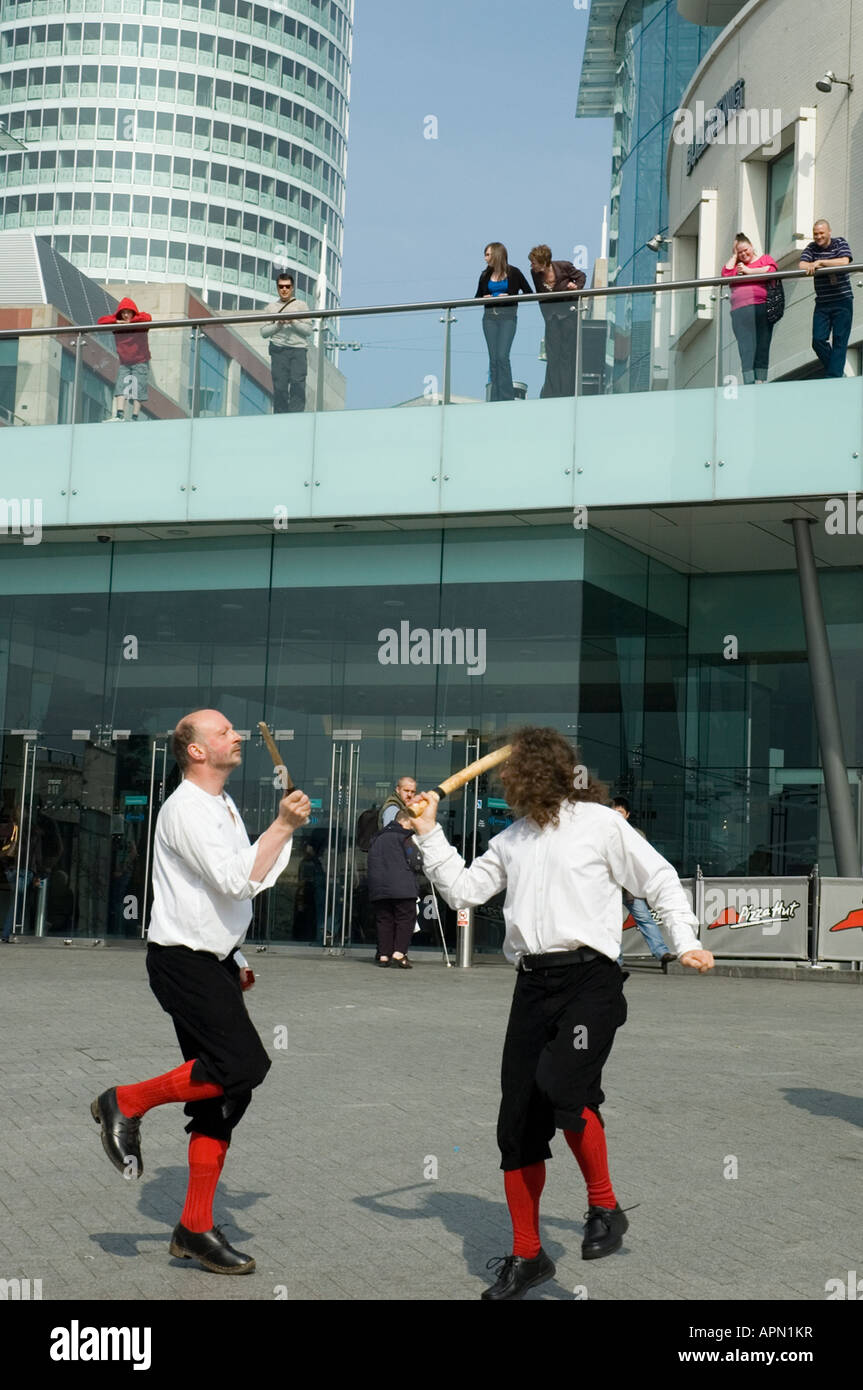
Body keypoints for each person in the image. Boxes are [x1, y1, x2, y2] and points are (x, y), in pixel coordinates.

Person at [411, 726, 714, 1300]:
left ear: (535, 773)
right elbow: (463, 892)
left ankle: (604, 1205)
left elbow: (659, 878)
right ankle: (529, 1257)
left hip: (589, 982)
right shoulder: (512, 839)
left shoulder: (601, 824)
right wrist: (428, 830)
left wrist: (682, 939)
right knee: (516, 1126)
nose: (505, 783)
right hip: (532, 986)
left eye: (510, 775)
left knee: (561, 1086)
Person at [90, 709, 310, 1274]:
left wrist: (234, 956)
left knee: (226, 1094)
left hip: (211, 962)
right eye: (223, 732)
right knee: (243, 1066)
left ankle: (195, 1227)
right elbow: (235, 879)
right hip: (180, 963)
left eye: (234, 730)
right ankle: (126, 1102)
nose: (237, 737)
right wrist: (282, 825)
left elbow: (247, 880)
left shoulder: (222, 805)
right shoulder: (185, 808)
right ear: (194, 750)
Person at [611, 797, 675, 973]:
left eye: (620, 812)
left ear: (627, 814)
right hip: (611, 886)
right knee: (612, 922)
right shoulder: (603, 833)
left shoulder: (637, 834)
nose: (616, 816)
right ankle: (616, 959)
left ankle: (662, 953)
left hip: (630, 887)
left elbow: (645, 860)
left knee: (645, 919)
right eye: (614, 812)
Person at [475, 243, 532, 402]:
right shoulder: (485, 275)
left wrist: (509, 296)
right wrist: (484, 298)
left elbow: (528, 292)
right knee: (493, 358)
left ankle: (506, 397)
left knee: (502, 356)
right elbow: (476, 297)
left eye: (488, 254)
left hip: (508, 317)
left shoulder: (514, 273)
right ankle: (495, 397)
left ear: (497, 255)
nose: (485, 258)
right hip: (489, 318)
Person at [528, 245, 586, 397]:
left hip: (568, 314)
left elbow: (581, 276)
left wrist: (576, 287)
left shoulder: (563, 266)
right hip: (551, 317)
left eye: (534, 262)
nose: (531, 266)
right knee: (553, 355)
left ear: (543, 262)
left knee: (566, 354)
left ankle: (566, 392)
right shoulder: (535, 274)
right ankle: (552, 392)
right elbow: (541, 295)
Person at [799, 220, 854, 378]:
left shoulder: (839, 243)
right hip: (822, 302)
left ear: (829, 232)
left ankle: (834, 377)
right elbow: (802, 265)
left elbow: (844, 261)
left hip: (842, 300)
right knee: (818, 341)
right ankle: (836, 373)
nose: (818, 236)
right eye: (816, 233)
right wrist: (813, 264)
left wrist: (820, 262)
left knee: (839, 340)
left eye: (822, 233)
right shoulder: (811, 247)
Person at [721, 234, 777, 385]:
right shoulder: (736, 266)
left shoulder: (763, 259)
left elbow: (771, 271)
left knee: (762, 344)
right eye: (740, 252)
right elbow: (725, 275)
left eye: (745, 250)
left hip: (761, 307)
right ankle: (749, 381)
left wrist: (748, 271)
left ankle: (760, 380)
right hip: (739, 311)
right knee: (745, 348)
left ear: (751, 246)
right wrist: (734, 256)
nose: (743, 254)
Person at [367, 810, 419, 968]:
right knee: (405, 919)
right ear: (406, 821)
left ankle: (384, 955)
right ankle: (399, 953)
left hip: (378, 888)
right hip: (402, 886)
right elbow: (415, 860)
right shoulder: (406, 837)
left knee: (384, 920)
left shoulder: (376, 838)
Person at [260, 272, 314, 413]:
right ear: (277, 288)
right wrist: (278, 324)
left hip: (298, 350)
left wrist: (293, 321)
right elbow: (264, 332)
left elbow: (308, 330)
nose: (284, 289)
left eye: (287, 286)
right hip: (278, 350)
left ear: (292, 288)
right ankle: (281, 416)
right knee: (280, 387)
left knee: (298, 383)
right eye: (281, 286)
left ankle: (296, 415)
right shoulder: (271, 307)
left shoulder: (301, 305)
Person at [97, 297, 153, 421]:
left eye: (128, 312)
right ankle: (120, 414)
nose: (125, 315)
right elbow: (101, 321)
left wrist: (132, 322)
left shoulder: (141, 324)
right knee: (120, 386)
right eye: (123, 312)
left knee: (139, 388)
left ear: (133, 312)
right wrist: (119, 322)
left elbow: (147, 317)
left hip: (141, 360)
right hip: (125, 362)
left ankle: (135, 416)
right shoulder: (117, 325)